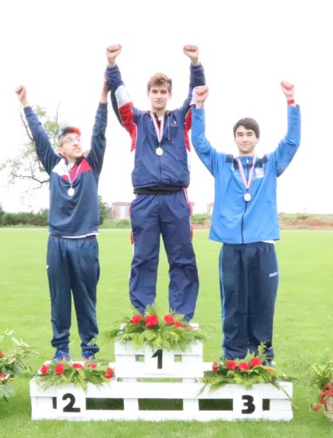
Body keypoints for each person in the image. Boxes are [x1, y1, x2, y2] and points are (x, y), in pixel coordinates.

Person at [190, 83, 301, 363]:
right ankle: (232, 354)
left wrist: (291, 102)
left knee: (263, 304)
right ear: (235, 139)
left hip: (262, 246)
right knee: (233, 304)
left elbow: (291, 142)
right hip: (231, 247)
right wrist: (199, 108)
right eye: (239, 134)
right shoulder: (221, 163)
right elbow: (199, 143)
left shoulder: (270, 164)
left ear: (257, 138)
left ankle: (263, 356)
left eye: (249, 134)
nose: (244, 138)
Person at [104, 44, 204, 321]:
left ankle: (181, 317)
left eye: (163, 92)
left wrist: (195, 64)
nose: (159, 96)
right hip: (145, 199)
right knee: (143, 259)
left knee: (183, 259)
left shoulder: (181, 118)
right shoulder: (136, 121)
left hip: (176, 199)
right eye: (154, 91)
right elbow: (120, 96)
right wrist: (112, 65)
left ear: (169, 95)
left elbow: (197, 95)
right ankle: (143, 315)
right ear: (148, 94)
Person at [14, 79, 108, 361]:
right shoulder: (53, 165)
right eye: (70, 140)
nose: (77, 142)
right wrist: (25, 104)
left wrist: (103, 97)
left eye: (79, 139)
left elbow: (100, 132)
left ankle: (89, 350)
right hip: (57, 243)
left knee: (86, 299)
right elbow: (39, 134)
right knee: (59, 299)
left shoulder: (92, 165)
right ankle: (61, 350)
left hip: (85, 243)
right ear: (61, 148)